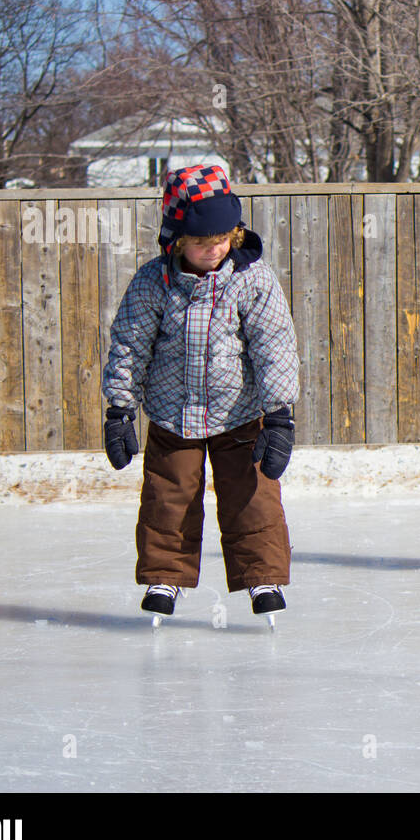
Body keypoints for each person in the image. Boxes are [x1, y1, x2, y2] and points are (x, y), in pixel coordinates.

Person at [101, 164, 299, 624]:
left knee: (253, 496)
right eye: (201, 243)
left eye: (222, 241)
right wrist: (120, 408)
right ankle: (164, 575)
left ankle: (261, 575)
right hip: (174, 416)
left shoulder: (253, 279)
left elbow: (275, 346)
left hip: (241, 414)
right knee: (167, 498)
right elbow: (129, 344)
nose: (214, 251)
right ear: (175, 241)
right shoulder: (153, 282)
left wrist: (279, 416)